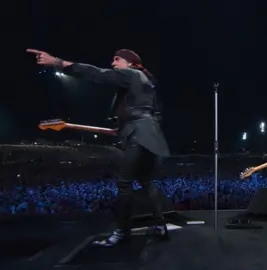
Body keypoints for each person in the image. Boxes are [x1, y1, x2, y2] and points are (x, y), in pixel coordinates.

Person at [27, 48, 171, 246]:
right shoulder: (147, 83)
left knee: (124, 183)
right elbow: (155, 113)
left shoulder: (132, 74)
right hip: (149, 134)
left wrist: (58, 62)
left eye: (117, 59)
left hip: (138, 133)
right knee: (146, 181)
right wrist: (124, 128)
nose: (113, 63)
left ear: (130, 63)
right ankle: (160, 225)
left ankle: (122, 232)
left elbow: (97, 74)